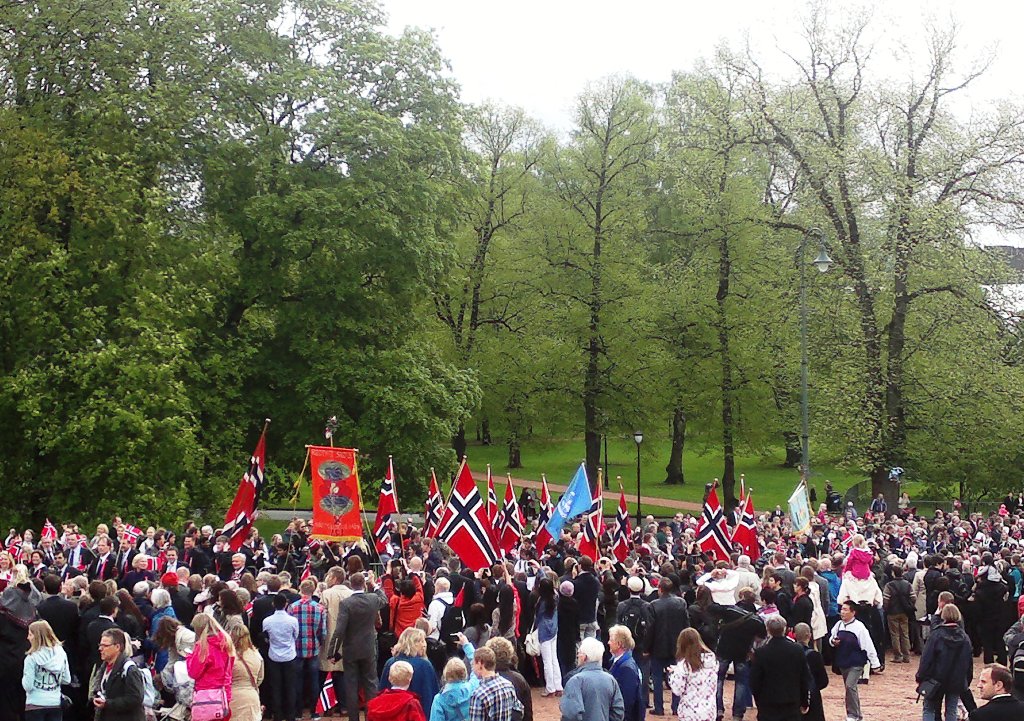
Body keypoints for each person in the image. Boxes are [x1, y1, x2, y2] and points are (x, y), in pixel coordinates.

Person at [328, 571, 388, 721]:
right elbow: (384, 599)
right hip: (368, 648)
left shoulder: (346, 603)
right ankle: (371, 716)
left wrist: (332, 651)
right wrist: (374, 584)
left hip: (350, 650)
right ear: (364, 584)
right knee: (370, 684)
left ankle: (353, 718)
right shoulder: (373, 599)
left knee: (351, 685)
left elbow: (340, 630)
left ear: (351, 584)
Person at [917, 604, 973, 721]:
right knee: (951, 710)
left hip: (935, 679)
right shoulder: (965, 638)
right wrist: (966, 680)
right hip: (956, 680)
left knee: (929, 709)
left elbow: (926, 659)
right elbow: (969, 663)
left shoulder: (936, 635)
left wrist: (921, 677)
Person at [829, 600, 881, 721]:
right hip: (843, 661)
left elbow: (868, 645)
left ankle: (853, 715)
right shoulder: (838, 625)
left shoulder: (859, 628)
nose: (842, 612)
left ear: (853, 612)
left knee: (850, 686)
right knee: (850, 688)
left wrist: (875, 663)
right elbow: (831, 638)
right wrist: (833, 642)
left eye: (845, 610)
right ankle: (857, 714)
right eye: (842, 609)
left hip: (856, 662)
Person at [749, 616, 809, 721]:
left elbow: (755, 681)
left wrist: (759, 702)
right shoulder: (797, 650)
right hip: (791, 702)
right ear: (785, 629)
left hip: (768, 703)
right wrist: (804, 701)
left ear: (768, 630)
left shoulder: (761, 653)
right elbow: (804, 678)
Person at [379, 628, 440, 720]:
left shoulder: (390, 663)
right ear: (412, 643)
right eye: (420, 641)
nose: (424, 645)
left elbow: (382, 693)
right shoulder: (424, 665)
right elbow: (430, 696)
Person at [649, 578, 689, 717]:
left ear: (660, 589)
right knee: (676, 676)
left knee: (657, 678)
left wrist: (647, 648)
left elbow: (650, 628)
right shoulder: (680, 603)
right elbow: (686, 625)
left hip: (658, 646)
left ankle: (659, 707)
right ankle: (676, 707)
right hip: (676, 647)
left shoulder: (654, 605)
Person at [559, 637, 624, 721]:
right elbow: (618, 711)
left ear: (584, 657)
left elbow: (571, 714)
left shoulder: (575, 681)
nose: (578, 656)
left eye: (579, 654)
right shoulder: (610, 680)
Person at [288, 578, 326, 719]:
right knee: (314, 681)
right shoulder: (319, 608)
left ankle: (298, 712)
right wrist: (319, 643)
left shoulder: (292, 607)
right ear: (313, 590)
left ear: (300, 589)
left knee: (297, 680)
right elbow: (323, 631)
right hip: (313, 647)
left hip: (296, 648)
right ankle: (314, 712)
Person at [90, 629, 145, 721]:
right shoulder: (103, 667)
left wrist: (107, 703)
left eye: (105, 646)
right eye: (100, 645)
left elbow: (135, 699)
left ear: (117, 647)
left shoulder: (129, 669)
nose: (100, 649)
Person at [187, 614, 236, 719]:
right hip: (223, 694)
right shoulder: (226, 642)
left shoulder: (203, 646)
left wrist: (189, 657)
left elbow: (193, 672)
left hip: (206, 697)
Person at [22, 620, 71, 721]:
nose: (28, 637)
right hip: (55, 703)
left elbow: (28, 686)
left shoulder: (31, 658)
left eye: (30, 634)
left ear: (37, 637)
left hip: (35, 703)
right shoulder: (61, 654)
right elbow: (67, 679)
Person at [263, 591, 299, 721]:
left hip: (274, 656)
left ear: (273, 604)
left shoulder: (267, 621)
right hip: (289, 656)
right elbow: (295, 636)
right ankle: (290, 715)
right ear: (286, 604)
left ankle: (277, 715)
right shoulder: (292, 621)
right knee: (290, 686)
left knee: (276, 687)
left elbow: (267, 638)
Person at [668, 628, 717, 721]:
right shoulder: (712, 661)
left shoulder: (684, 665)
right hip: (709, 712)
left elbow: (677, 690)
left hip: (689, 713)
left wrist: (673, 674)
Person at [430, 637, 479, 721]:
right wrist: (466, 645)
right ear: (465, 672)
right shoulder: (473, 688)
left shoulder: (439, 699)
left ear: (445, 674)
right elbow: (476, 663)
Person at [469, 646, 521, 721]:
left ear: (480, 664)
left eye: (473, 664)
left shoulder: (478, 695)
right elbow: (519, 711)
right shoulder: (508, 685)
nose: (473, 668)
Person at [608, 625, 644, 721]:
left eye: (611, 640)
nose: (608, 643)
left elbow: (627, 701)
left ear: (619, 644)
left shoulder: (627, 668)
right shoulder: (618, 662)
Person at [227, 624, 263, 721]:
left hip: (232, 697)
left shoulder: (229, 656)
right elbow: (260, 678)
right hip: (252, 696)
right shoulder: (256, 654)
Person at [533, 578, 562, 696]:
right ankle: (558, 686)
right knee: (554, 659)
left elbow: (538, 617)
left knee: (547, 661)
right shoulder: (555, 597)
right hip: (554, 629)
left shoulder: (542, 602)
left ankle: (550, 688)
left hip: (544, 631)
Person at [792, 623, 827, 721]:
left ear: (794, 635)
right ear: (809, 635)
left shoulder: (789, 653)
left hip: (793, 696)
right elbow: (824, 681)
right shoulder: (815, 655)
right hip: (812, 696)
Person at [882, 564, 915, 663]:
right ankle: (906, 655)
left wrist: (886, 609)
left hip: (892, 612)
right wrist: (909, 606)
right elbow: (913, 597)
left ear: (893, 573)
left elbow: (886, 599)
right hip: (904, 611)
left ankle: (898, 655)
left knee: (895, 634)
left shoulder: (889, 585)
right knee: (905, 633)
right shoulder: (908, 584)